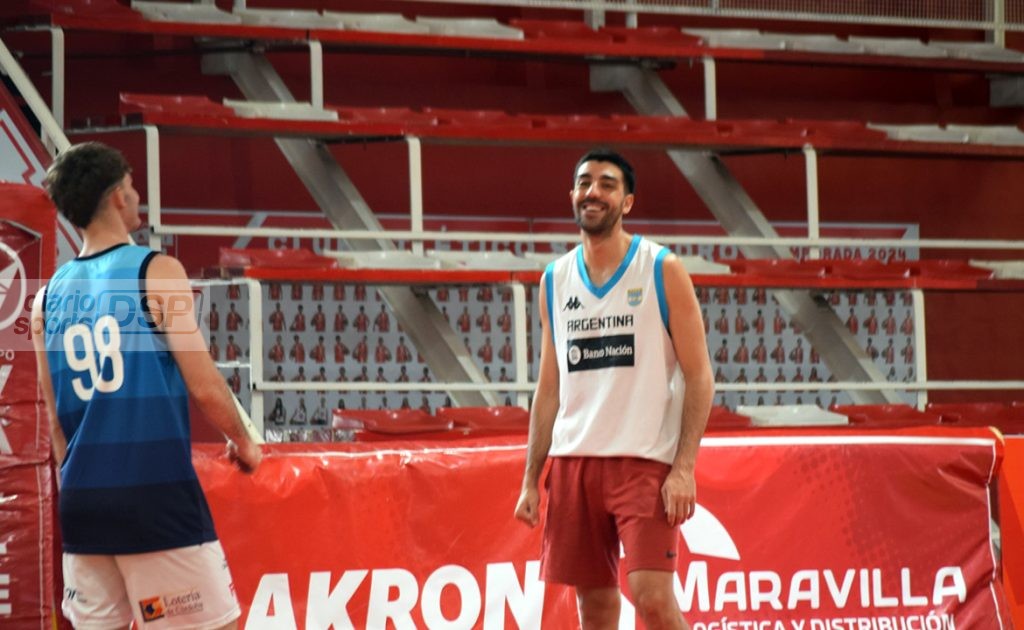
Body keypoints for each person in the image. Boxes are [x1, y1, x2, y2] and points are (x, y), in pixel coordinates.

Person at [31, 142, 262, 629]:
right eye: (132, 185)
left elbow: (54, 424)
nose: (137, 195)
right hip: (153, 496)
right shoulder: (157, 271)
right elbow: (204, 385)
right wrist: (243, 442)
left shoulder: (44, 299)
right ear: (118, 194)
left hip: (83, 508)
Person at [514, 149, 714, 629]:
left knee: (653, 599)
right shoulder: (554, 279)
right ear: (572, 194)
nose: (593, 192)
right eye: (585, 182)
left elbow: (700, 375)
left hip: (644, 460)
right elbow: (549, 387)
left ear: (627, 202)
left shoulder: (662, 268)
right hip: (575, 461)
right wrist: (530, 478)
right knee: (595, 607)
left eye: (607, 184)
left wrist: (684, 467)